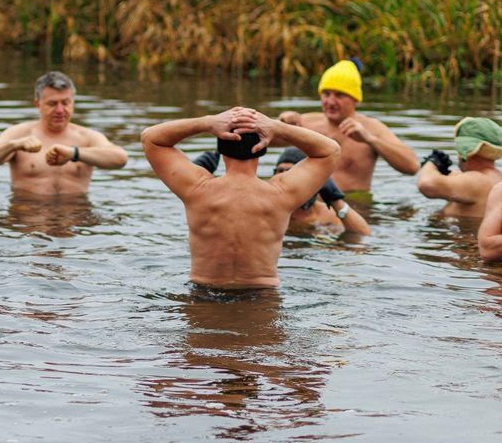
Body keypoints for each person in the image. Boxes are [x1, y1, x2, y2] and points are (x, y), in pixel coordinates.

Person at [141, 107, 341, 288]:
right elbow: (330, 150)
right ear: (262, 147)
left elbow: (150, 137)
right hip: (262, 298)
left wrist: (208, 122)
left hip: (204, 297)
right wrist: (275, 127)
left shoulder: (197, 189)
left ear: (221, 146)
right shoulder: (281, 194)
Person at [0, 71, 127, 195]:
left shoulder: (87, 137)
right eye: (52, 104)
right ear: (37, 104)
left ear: (73, 103)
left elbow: (120, 159)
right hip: (27, 220)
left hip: (76, 222)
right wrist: (13, 145)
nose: (60, 110)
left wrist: (75, 153)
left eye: (65, 103)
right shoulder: (18, 134)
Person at [277, 58, 418, 192]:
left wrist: (370, 139)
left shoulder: (371, 128)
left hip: (353, 205)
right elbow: (260, 142)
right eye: (326, 94)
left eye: (339, 95)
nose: (331, 102)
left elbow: (412, 166)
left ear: (355, 100)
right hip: (310, 206)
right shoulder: (305, 123)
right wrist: (280, 124)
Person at [417, 117, 502, 217]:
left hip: (462, 231)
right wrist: (442, 173)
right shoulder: (493, 177)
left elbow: (427, 185)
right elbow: (455, 178)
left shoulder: (479, 180)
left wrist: (432, 162)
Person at [272, 149, 370, 235]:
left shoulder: (324, 214)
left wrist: (335, 198)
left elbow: (362, 234)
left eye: (290, 171)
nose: (284, 177)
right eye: (280, 171)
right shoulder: (269, 209)